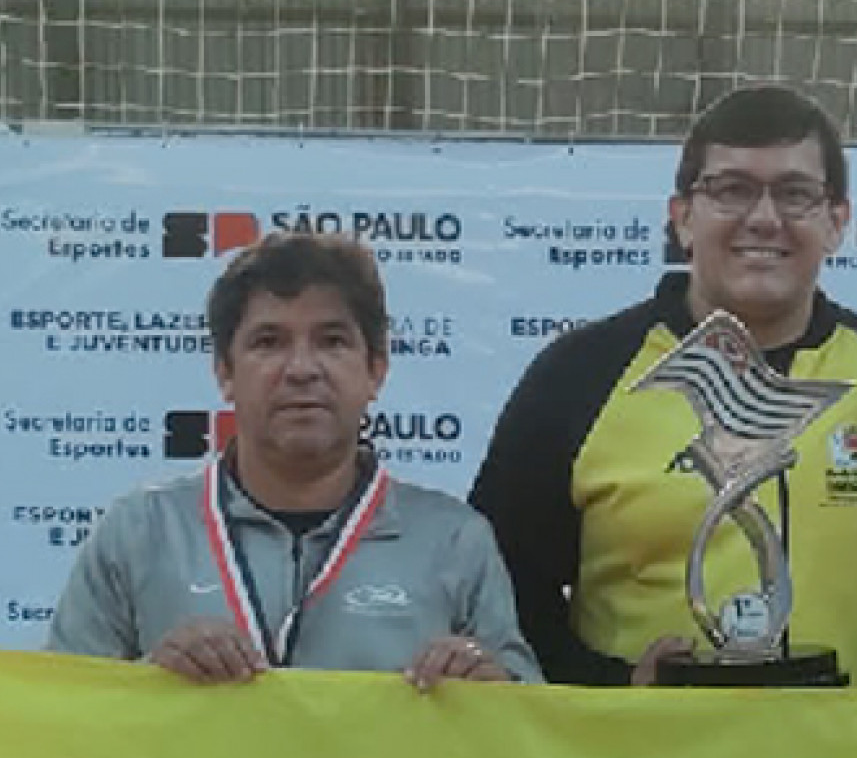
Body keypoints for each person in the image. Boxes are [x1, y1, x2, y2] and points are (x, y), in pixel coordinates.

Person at [469, 83, 857, 686]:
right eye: (731, 190)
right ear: (682, 218)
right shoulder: (577, 377)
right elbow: (494, 601)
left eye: (796, 193)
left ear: (837, 222)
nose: (763, 218)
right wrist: (617, 685)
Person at [49, 231, 536, 688]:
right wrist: (148, 679)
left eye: (332, 341)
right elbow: (63, 715)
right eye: (269, 342)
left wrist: (487, 687)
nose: (302, 369)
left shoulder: (454, 540)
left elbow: (530, 734)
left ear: (376, 371)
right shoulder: (140, 533)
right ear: (224, 373)